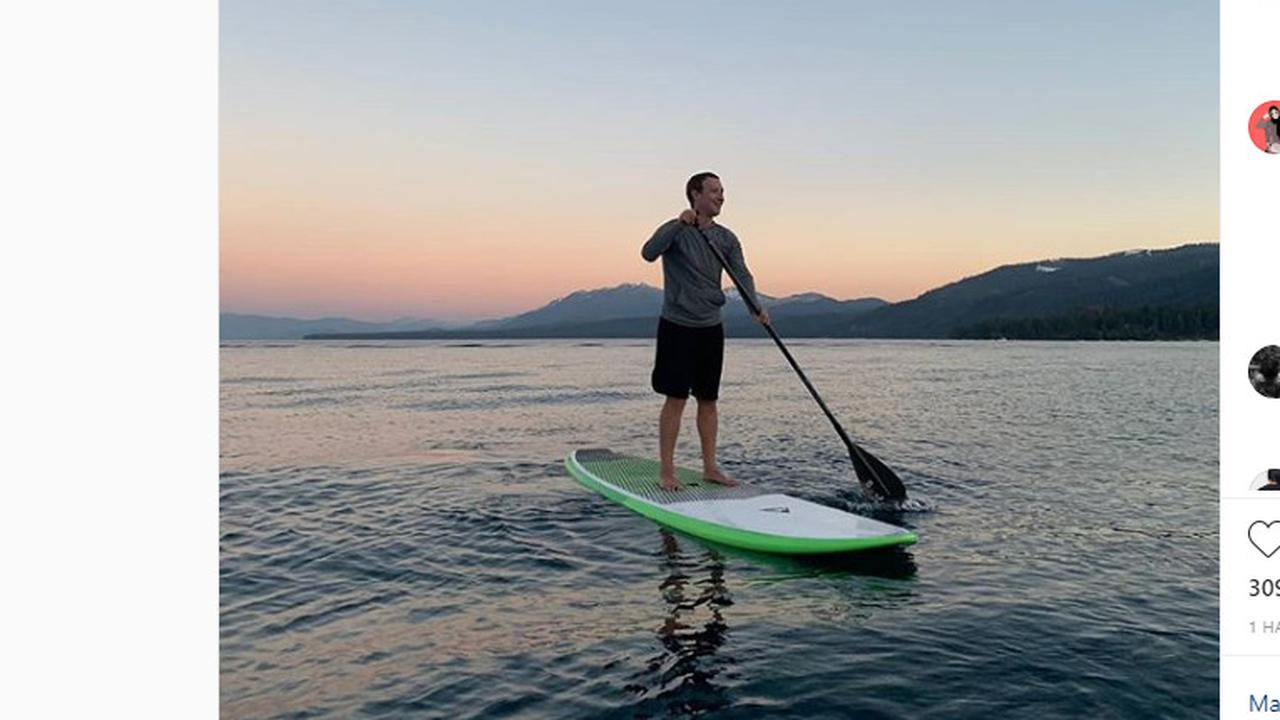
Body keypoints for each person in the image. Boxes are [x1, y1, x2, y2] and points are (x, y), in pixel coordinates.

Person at [641, 172, 770, 491]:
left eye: (723, 191)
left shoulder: (726, 238)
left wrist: (755, 305)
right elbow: (648, 252)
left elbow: (742, 273)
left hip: (711, 327)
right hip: (677, 325)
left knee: (709, 400)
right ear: (695, 195)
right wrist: (677, 223)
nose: (721, 196)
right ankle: (667, 471)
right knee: (676, 398)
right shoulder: (676, 231)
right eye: (714, 191)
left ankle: (710, 468)